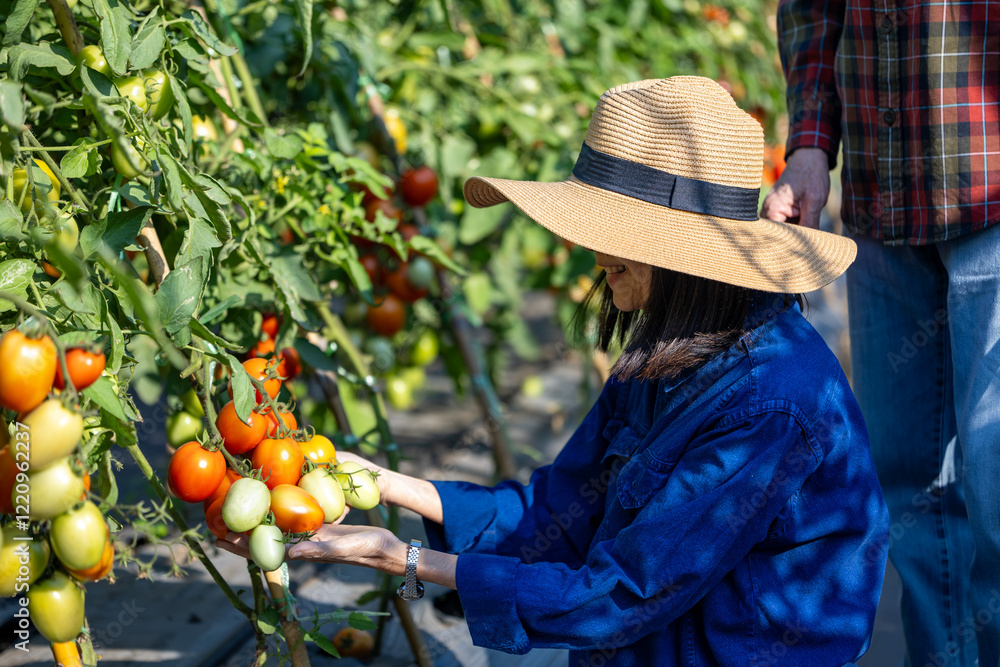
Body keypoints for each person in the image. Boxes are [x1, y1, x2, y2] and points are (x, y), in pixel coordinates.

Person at [220, 77, 889, 665]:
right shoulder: (671, 350)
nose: (596, 256)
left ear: (688, 254)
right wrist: (387, 484)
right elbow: (561, 510)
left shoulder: (770, 404)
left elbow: (625, 591)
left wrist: (400, 558)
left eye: (621, 234)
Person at [761, 4, 1000, 666]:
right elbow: (813, 9)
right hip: (880, 200)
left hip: (993, 190)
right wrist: (810, 144)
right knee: (908, 498)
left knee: (997, 488)